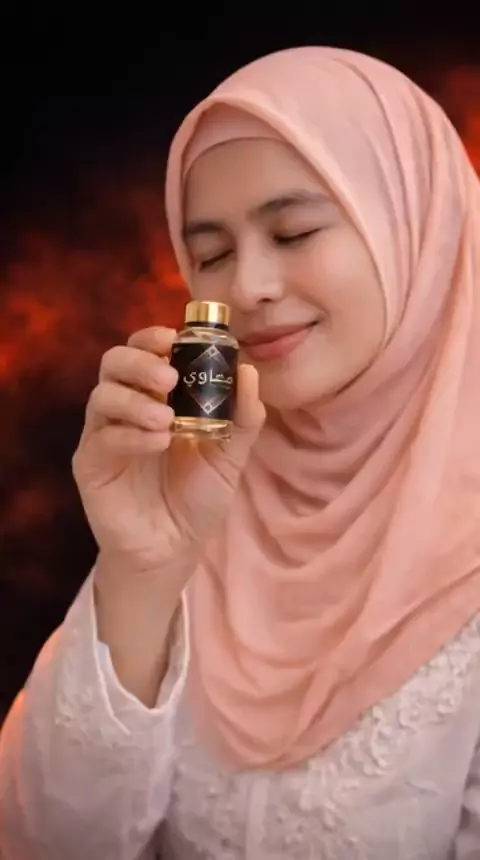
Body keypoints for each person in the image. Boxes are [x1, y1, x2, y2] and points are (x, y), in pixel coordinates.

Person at [1, 44, 480, 860]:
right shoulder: (197, 489)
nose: (248, 286)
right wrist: (142, 570)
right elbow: (40, 840)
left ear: (418, 229)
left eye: (294, 231)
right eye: (212, 255)